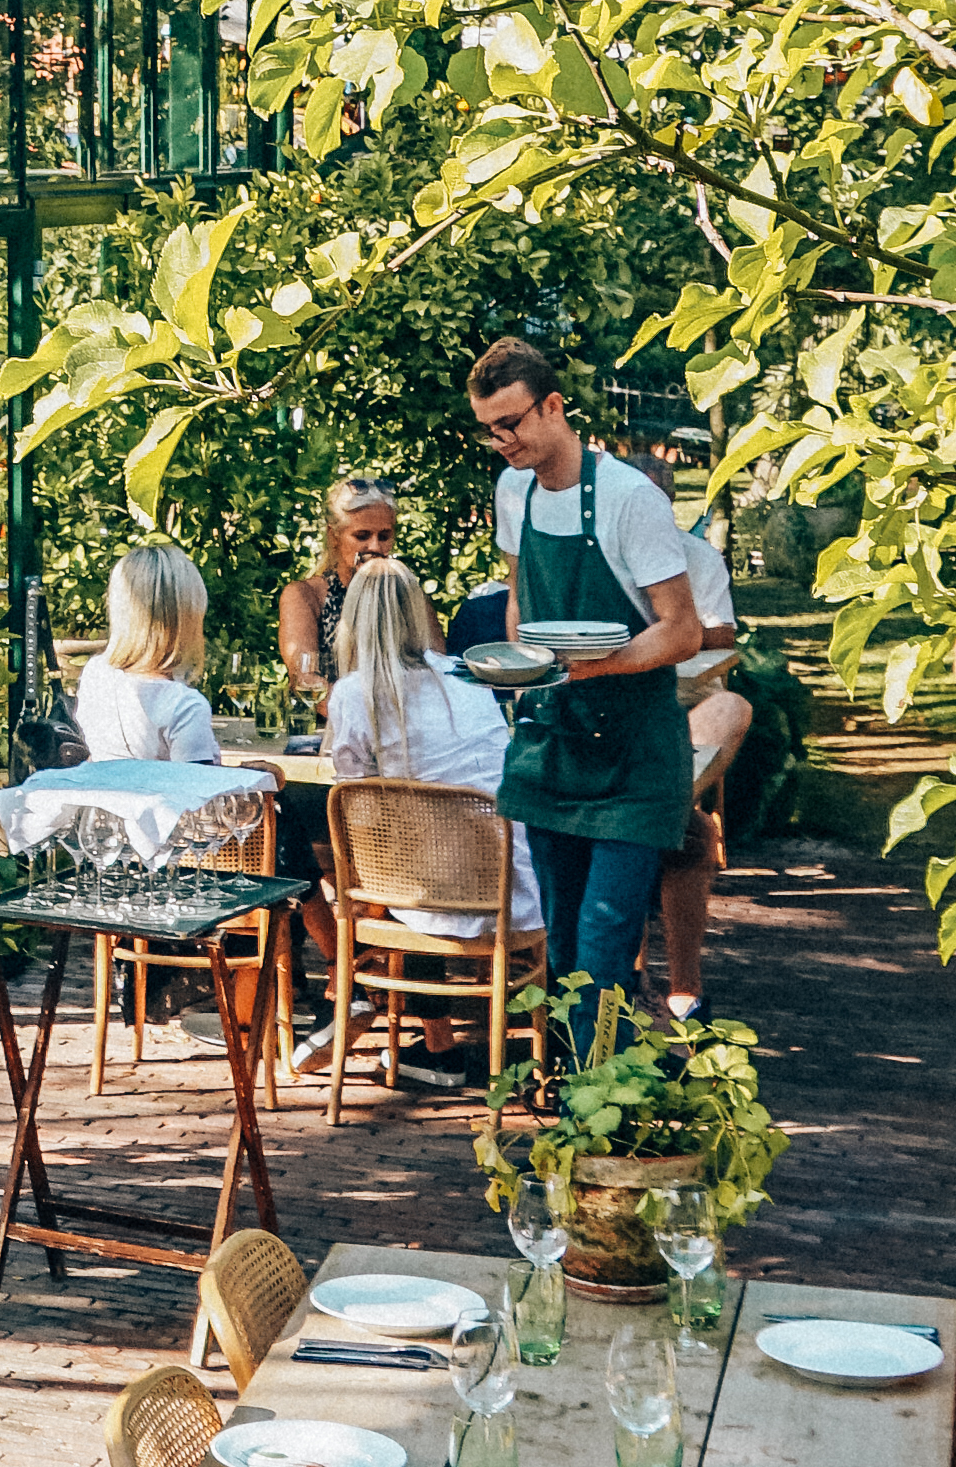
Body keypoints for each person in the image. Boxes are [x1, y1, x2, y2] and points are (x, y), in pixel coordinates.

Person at [464, 334, 703, 1033]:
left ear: (554, 407)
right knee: (562, 948)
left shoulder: (631, 499)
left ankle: (605, 1119)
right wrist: (520, 665)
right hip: (551, 743)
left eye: (510, 423)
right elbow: (520, 602)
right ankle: (582, 1112)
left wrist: (598, 664)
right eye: (489, 430)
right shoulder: (515, 492)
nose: (502, 440)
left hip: (632, 754)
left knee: (602, 954)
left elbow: (682, 631)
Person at [326, 556, 545, 940]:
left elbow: (356, 810)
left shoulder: (352, 693)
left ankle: (376, 990)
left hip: (422, 896)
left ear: (352, 619)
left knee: (329, 862)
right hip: (513, 888)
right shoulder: (465, 675)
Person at [630, 433, 749, 1022]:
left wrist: (669, 638)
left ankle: (662, 803)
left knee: (733, 711)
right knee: (686, 833)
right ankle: (673, 985)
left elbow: (722, 637)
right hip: (615, 712)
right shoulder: (606, 553)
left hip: (683, 700)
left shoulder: (697, 557)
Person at [74, 542, 225, 761]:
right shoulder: (185, 706)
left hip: (106, 792)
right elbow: (198, 788)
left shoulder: (96, 674)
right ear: (187, 619)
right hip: (166, 795)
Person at [275, 479, 403, 706]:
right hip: (327, 732)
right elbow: (306, 679)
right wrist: (367, 716)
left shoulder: (406, 596)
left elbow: (437, 671)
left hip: (397, 730)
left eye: (384, 536)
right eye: (362, 536)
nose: (375, 547)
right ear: (334, 536)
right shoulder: (305, 595)